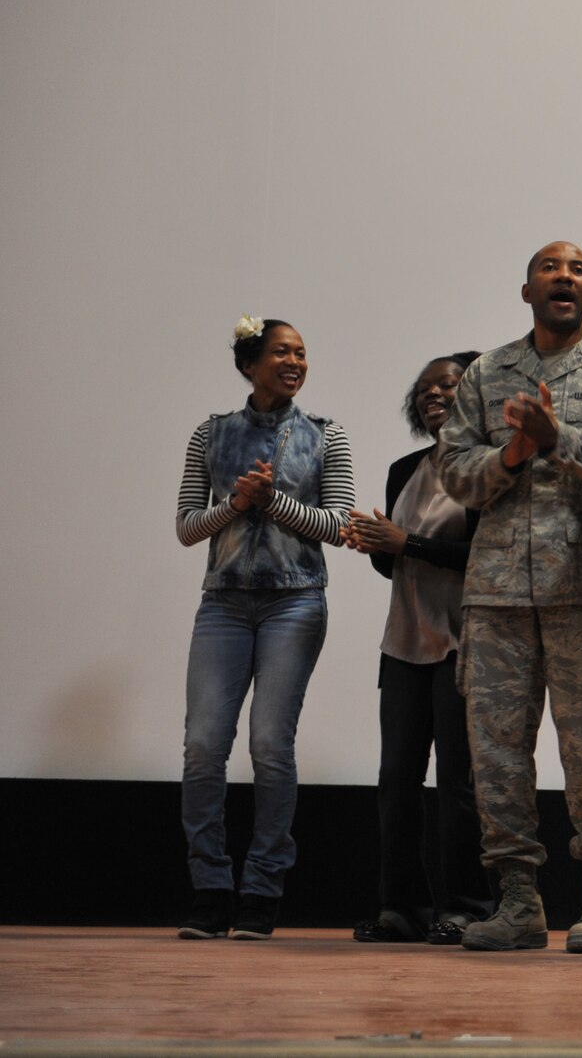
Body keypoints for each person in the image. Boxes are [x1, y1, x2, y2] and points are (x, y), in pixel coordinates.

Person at [437, 242, 582, 953]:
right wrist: (511, 454)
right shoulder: (486, 372)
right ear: (526, 289)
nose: (566, 278)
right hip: (497, 592)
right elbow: (455, 472)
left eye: (580, 269)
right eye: (552, 270)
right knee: (495, 751)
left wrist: (559, 438)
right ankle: (518, 899)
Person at [175, 317, 355, 940]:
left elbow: (338, 526)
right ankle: (210, 888)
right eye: (282, 351)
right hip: (223, 604)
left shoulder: (326, 435)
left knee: (270, 748)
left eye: (303, 353)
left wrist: (273, 502)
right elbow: (186, 527)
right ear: (251, 363)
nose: (296, 361)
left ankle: (261, 890)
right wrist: (237, 504)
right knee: (203, 749)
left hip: (295, 603)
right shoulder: (212, 432)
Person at [346, 351, 491, 945]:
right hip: (404, 641)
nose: (435, 394)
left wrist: (409, 542)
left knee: (459, 783)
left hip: (465, 643)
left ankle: (468, 906)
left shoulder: (488, 470)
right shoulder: (405, 466)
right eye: (426, 388)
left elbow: (485, 559)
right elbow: (395, 566)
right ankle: (400, 908)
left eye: (449, 386)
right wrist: (379, 545)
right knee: (395, 780)